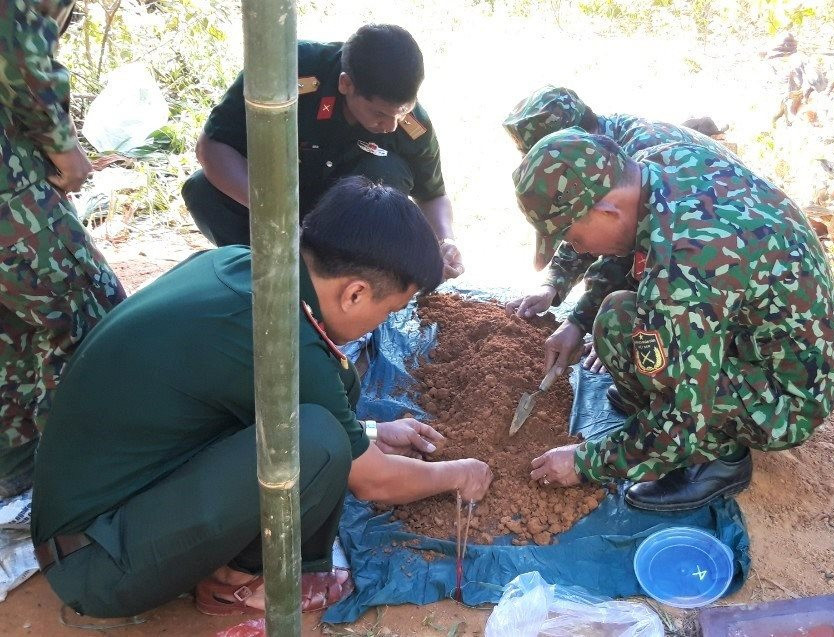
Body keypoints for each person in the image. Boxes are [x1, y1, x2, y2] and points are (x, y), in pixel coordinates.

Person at [30, 177, 492, 618]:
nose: (379, 324)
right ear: (354, 293)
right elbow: (375, 483)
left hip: (97, 515)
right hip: (97, 564)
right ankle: (240, 581)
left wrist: (370, 432)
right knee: (319, 442)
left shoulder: (241, 264)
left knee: (335, 405)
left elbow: (233, 399)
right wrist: (460, 474)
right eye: (387, 310)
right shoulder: (281, 334)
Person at [513, 129, 834, 511]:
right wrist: (576, 321)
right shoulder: (661, 162)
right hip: (773, 340)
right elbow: (630, 256)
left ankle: (717, 459)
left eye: (571, 236)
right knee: (623, 315)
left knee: (622, 330)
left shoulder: (681, 266)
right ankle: (673, 400)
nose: (577, 249)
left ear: (607, 211)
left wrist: (585, 462)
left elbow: (682, 418)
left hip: (789, 399)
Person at [182, 24, 464, 279]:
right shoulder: (287, 72)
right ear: (346, 84)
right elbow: (212, 146)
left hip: (345, 224)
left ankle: (344, 282)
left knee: (388, 172)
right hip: (274, 198)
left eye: (402, 112)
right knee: (202, 189)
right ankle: (259, 273)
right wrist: (277, 215)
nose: (391, 126)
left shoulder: (413, 125)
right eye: (379, 113)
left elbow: (433, 194)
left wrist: (445, 242)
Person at [503, 86, 736, 378]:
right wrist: (554, 284)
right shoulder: (603, 152)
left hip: (717, 279)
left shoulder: (639, 155)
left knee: (640, 349)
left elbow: (629, 250)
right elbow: (582, 225)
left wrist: (598, 325)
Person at [0, 0, 126, 498]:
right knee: (90, 315)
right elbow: (16, 42)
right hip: (11, 189)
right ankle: (93, 478)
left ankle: (17, 463)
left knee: (14, 326)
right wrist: (62, 145)